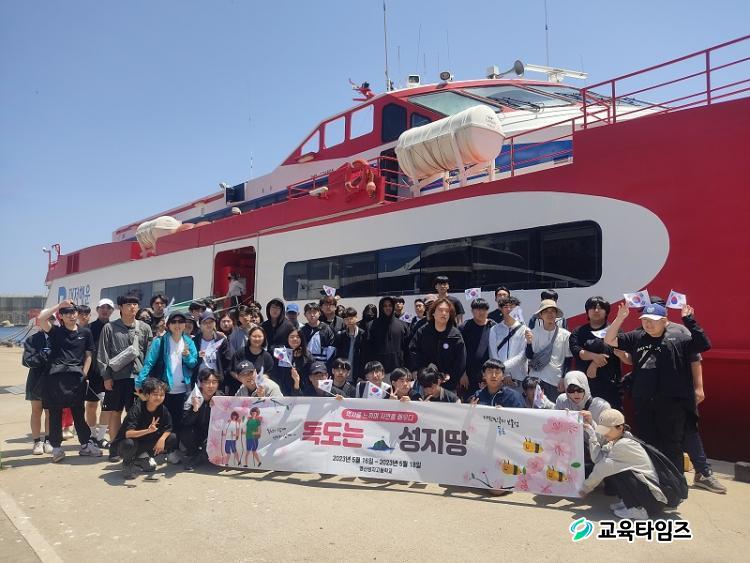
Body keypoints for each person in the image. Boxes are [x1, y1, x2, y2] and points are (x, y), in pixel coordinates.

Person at [605, 302, 710, 473]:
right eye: (645, 319)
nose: (648, 324)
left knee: (672, 445)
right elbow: (609, 340)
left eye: (653, 320)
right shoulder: (636, 337)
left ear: (664, 320)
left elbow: (703, 344)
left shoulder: (679, 338)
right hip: (644, 401)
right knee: (648, 443)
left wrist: (689, 320)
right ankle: (653, 478)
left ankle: (675, 481)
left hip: (672, 403)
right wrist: (620, 318)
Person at [37, 299, 101, 462]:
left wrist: (83, 374)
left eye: (73, 312)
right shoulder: (55, 331)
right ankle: (56, 448)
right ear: (61, 316)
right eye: (67, 313)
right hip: (56, 378)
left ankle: (85, 445)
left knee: (78, 412)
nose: (71, 315)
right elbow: (41, 318)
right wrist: (59, 305)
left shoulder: (85, 332)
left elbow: (88, 355)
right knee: (55, 413)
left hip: (76, 378)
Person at [580, 409, 667, 520]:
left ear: (620, 428)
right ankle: (630, 503)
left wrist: (585, 488)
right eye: (602, 429)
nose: (603, 433)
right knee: (615, 470)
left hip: (652, 500)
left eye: (606, 429)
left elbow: (602, 468)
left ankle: (639, 510)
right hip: (650, 496)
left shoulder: (624, 445)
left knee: (618, 471)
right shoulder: (618, 439)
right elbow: (598, 459)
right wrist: (592, 435)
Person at [136, 310, 198, 464]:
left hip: (183, 390)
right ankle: (152, 450)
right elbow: (149, 363)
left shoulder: (189, 342)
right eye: (174, 322)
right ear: (168, 325)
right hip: (163, 390)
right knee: (157, 420)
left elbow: (193, 363)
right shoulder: (160, 342)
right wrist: (139, 382)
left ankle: (171, 450)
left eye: (180, 322)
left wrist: (187, 356)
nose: (177, 325)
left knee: (176, 422)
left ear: (185, 324)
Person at [98, 293, 153, 461]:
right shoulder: (109, 328)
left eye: (135, 304)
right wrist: (106, 377)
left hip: (138, 378)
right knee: (115, 413)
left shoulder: (145, 328)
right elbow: (103, 354)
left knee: (136, 414)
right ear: (120, 307)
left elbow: (149, 355)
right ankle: (115, 448)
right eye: (128, 304)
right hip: (117, 378)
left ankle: (134, 448)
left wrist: (146, 377)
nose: (132, 307)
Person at [569, 296, 624, 409]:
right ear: (587, 311)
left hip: (610, 384)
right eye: (593, 308)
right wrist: (594, 357)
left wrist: (594, 364)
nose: (596, 310)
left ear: (606, 311)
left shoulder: (615, 330)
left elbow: (614, 350)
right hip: (585, 386)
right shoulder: (578, 332)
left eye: (600, 308)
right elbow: (576, 351)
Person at [116, 378, 177, 480]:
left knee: (172, 437)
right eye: (155, 394)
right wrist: (148, 430)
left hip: (147, 442)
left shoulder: (163, 409)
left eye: (162, 395)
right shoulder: (137, 408)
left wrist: (162, 440)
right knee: (129, 444)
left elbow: (168, 427)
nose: (159, 397)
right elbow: (128, 434)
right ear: (147, 395)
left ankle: (142, 458)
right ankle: (127, 463)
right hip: (129, 444)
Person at [408, 298, 466, 392]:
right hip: (425, 383)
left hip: (448, 385)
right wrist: (424, 367)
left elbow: (461, 360)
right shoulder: (423, 331)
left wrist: (450, 377)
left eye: (447, 311)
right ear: (433, 313)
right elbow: (413, 350)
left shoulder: (455, 335)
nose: (444, 313)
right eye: (440, 310)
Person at [526, 299, 571, 401]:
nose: (550, 314)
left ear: (556, 314)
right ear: (541, 315)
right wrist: (528, 343)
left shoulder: (565, 335)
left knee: (553, 409)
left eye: (553, 311)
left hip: (555, 380)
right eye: (546, 311)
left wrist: (563, 378)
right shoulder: (533, 333)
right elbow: (529, 356)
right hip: (535, 379)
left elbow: (568, 359)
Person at [182, 367, 223, 471]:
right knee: (185, 432)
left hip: (212, 432)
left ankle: (200, 456)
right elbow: (185, 421)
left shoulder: (221, 397)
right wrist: (195, 409)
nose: (211, 386)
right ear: (200, 383)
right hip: (195, 432)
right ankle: (194, 454)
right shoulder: (191, 396)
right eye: (207, 382)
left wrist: (218, 405)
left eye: (214, 382)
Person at [459, 298, 496, 399]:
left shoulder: (493, 327)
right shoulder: (464, 327)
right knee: (470, 401)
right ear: (472, 311)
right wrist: (462, 373)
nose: (481, 312)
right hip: (469, 375)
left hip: (489, 373)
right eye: (478, 309)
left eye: (484, 309)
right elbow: (458, 352)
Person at [22, 328, 52, 454]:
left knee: (50, 412)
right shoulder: (32, 339)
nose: (50, 322)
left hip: (53, 379)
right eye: (47, 319)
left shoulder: (59, 337)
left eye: (53, 319)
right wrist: (44, 355)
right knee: (36, 410)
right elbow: (27, 360)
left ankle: (49, 440)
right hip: (36, 380)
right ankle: (37, 442)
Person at [488, 296, 529, 385]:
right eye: (506, 307)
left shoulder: (524, 329)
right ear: (501, 309)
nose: (509, 309)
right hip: (499, 378)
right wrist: (504, 373)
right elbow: (493, 353)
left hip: (519, 379)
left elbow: (523, 355)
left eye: (512, 306)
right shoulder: (494, 329)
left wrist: (503, 368)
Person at [366, 297, 409, 373]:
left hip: (398, 371)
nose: (388, 308)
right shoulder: (371, 326)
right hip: (378, 371)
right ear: (381, 307)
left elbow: (407, 349)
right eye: (385, 306)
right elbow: (367, 350)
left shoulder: (403, 325)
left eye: (390, 305)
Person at [193, 311, 230, 384]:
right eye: (205, 322)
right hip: (199, 381)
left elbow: (227, 361)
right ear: (200, 325)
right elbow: (192, 361)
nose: (208, 325)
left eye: (211, 322)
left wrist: (223, 378)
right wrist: (198, 355)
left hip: (217, 381)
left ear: (215, 323)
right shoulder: (195, 341)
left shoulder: (221, 339)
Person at [299, 302, 336, 368]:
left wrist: (327, 366)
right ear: (305, 314)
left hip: (322, 366)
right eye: (309, 313)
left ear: (319, 313)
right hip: (306, 365)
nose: (312, 315)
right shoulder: (302, 330)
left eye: (314, 312)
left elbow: (331, 349)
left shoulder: (326, 329)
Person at [335, 307, 366, 382]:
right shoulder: (341, 335)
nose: (349, 321)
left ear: (356, 318)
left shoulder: (363, 334)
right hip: (343, 372)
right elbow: (338, 355)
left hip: (358, 374)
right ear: (343, 320)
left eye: (351, 318)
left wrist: (362, 374)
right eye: (346, 319)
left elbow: (365, 356)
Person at [274, 329, 309, 396]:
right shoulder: (281, 353)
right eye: (291, 337)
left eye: (298, 337)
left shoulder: (307, 355)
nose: (295, 339)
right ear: (287, 338)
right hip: (282, 390)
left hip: (301, 391)